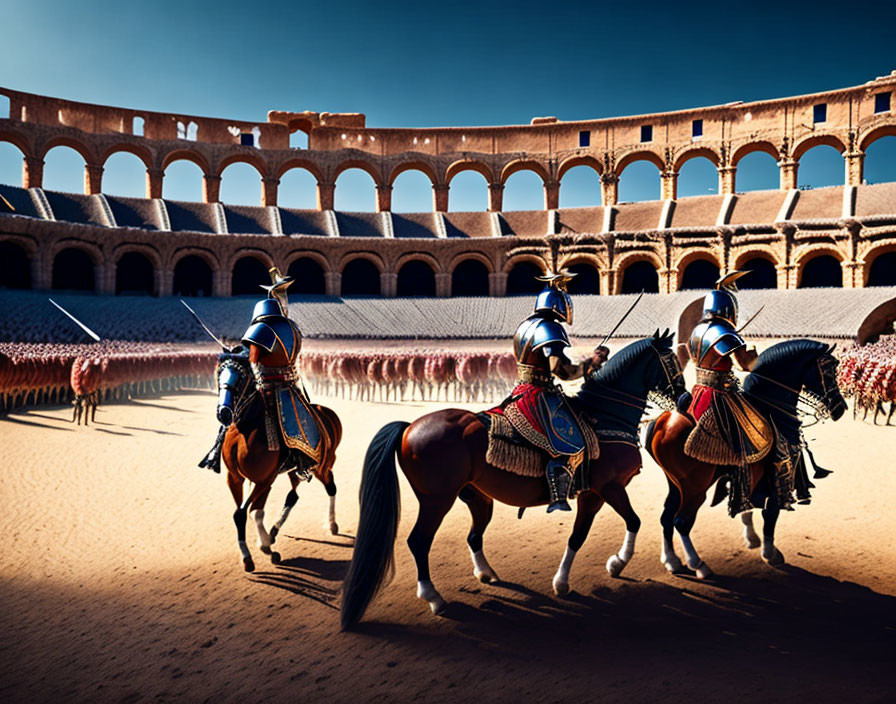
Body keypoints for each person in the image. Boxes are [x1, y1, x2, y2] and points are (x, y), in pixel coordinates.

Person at [685, 271, 773, 514]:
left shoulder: (696, 332)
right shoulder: (725, 333)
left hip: (697, 391)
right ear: (729, 310)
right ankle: (739, 486)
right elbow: (747, 365)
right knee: (754, 436)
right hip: (719, 396)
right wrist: (754, 355)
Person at [509, 271, 592, 512]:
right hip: (538, 394)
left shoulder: (526, 325)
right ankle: (558, 494)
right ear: (559, 305)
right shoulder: (550, 328)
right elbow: (560, 370)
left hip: (520, 389)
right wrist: (589, 366)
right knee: (574, 439)